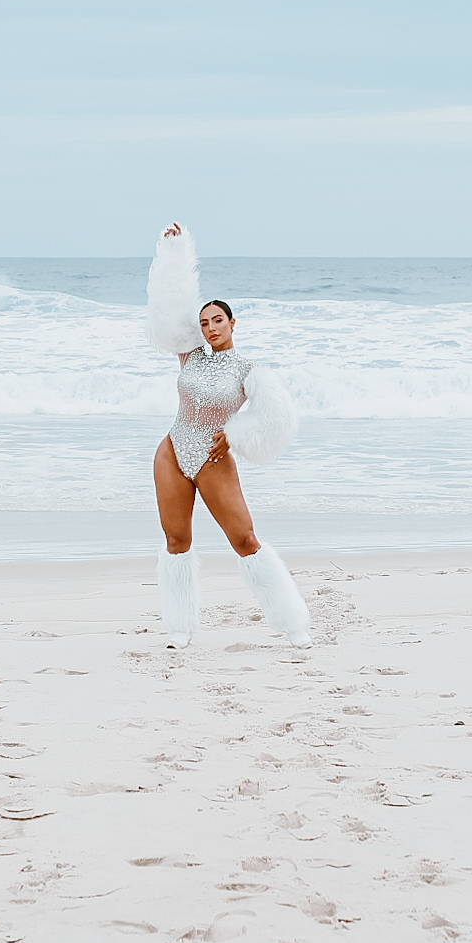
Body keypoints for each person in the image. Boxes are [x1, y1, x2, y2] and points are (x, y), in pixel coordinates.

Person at [148, 221, 312, 649]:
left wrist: (235, 435)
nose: (210, 328)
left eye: (217, 320)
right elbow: (169, 306)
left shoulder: (247, 370)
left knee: (244, 540)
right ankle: (181, 628)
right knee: (176, 540)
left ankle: (293, 624)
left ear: (233, 322)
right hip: (172, 451)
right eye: (203, 323)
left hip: (212, 457)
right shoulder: (189, 356)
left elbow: (278, 417)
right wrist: (174, 250)